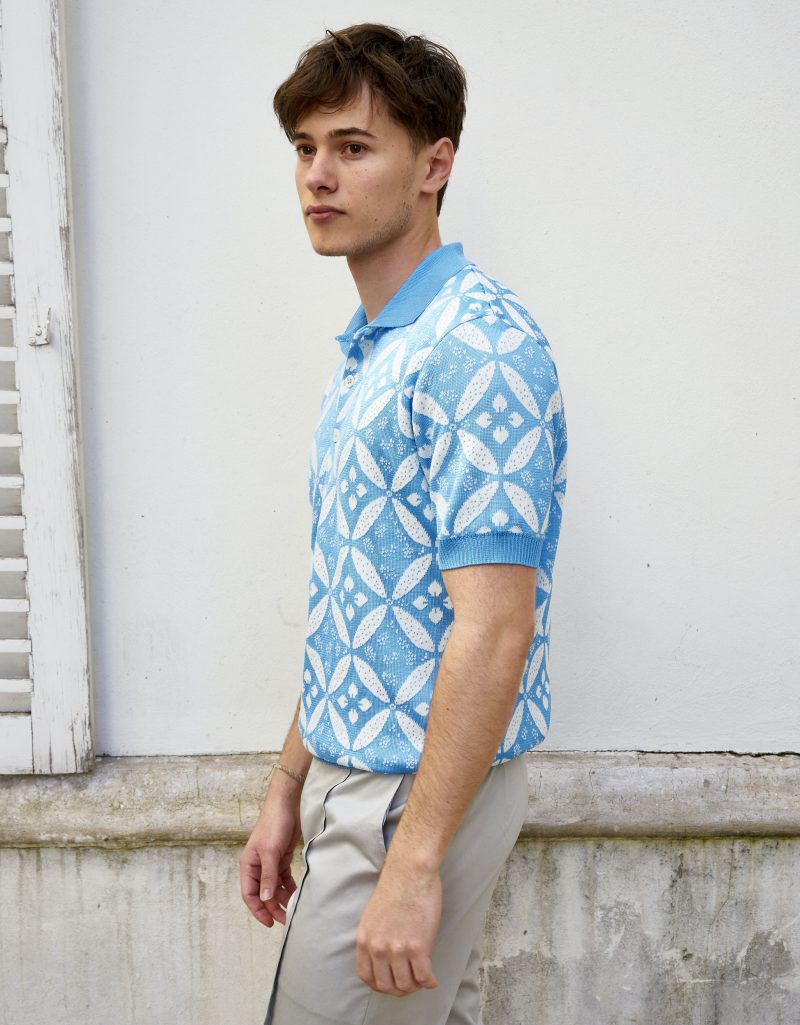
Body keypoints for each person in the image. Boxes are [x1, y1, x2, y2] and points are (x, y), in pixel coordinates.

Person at [239, 22, 568, 1025]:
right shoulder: (378, 349)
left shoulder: (477, 348)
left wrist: (415, 857)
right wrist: (289, 781)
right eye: (305, 148)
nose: (317, 175)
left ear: (434, 165)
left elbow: (494, 625)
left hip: (407, 793)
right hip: (359, 780)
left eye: (352, 146)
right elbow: (359, 602)